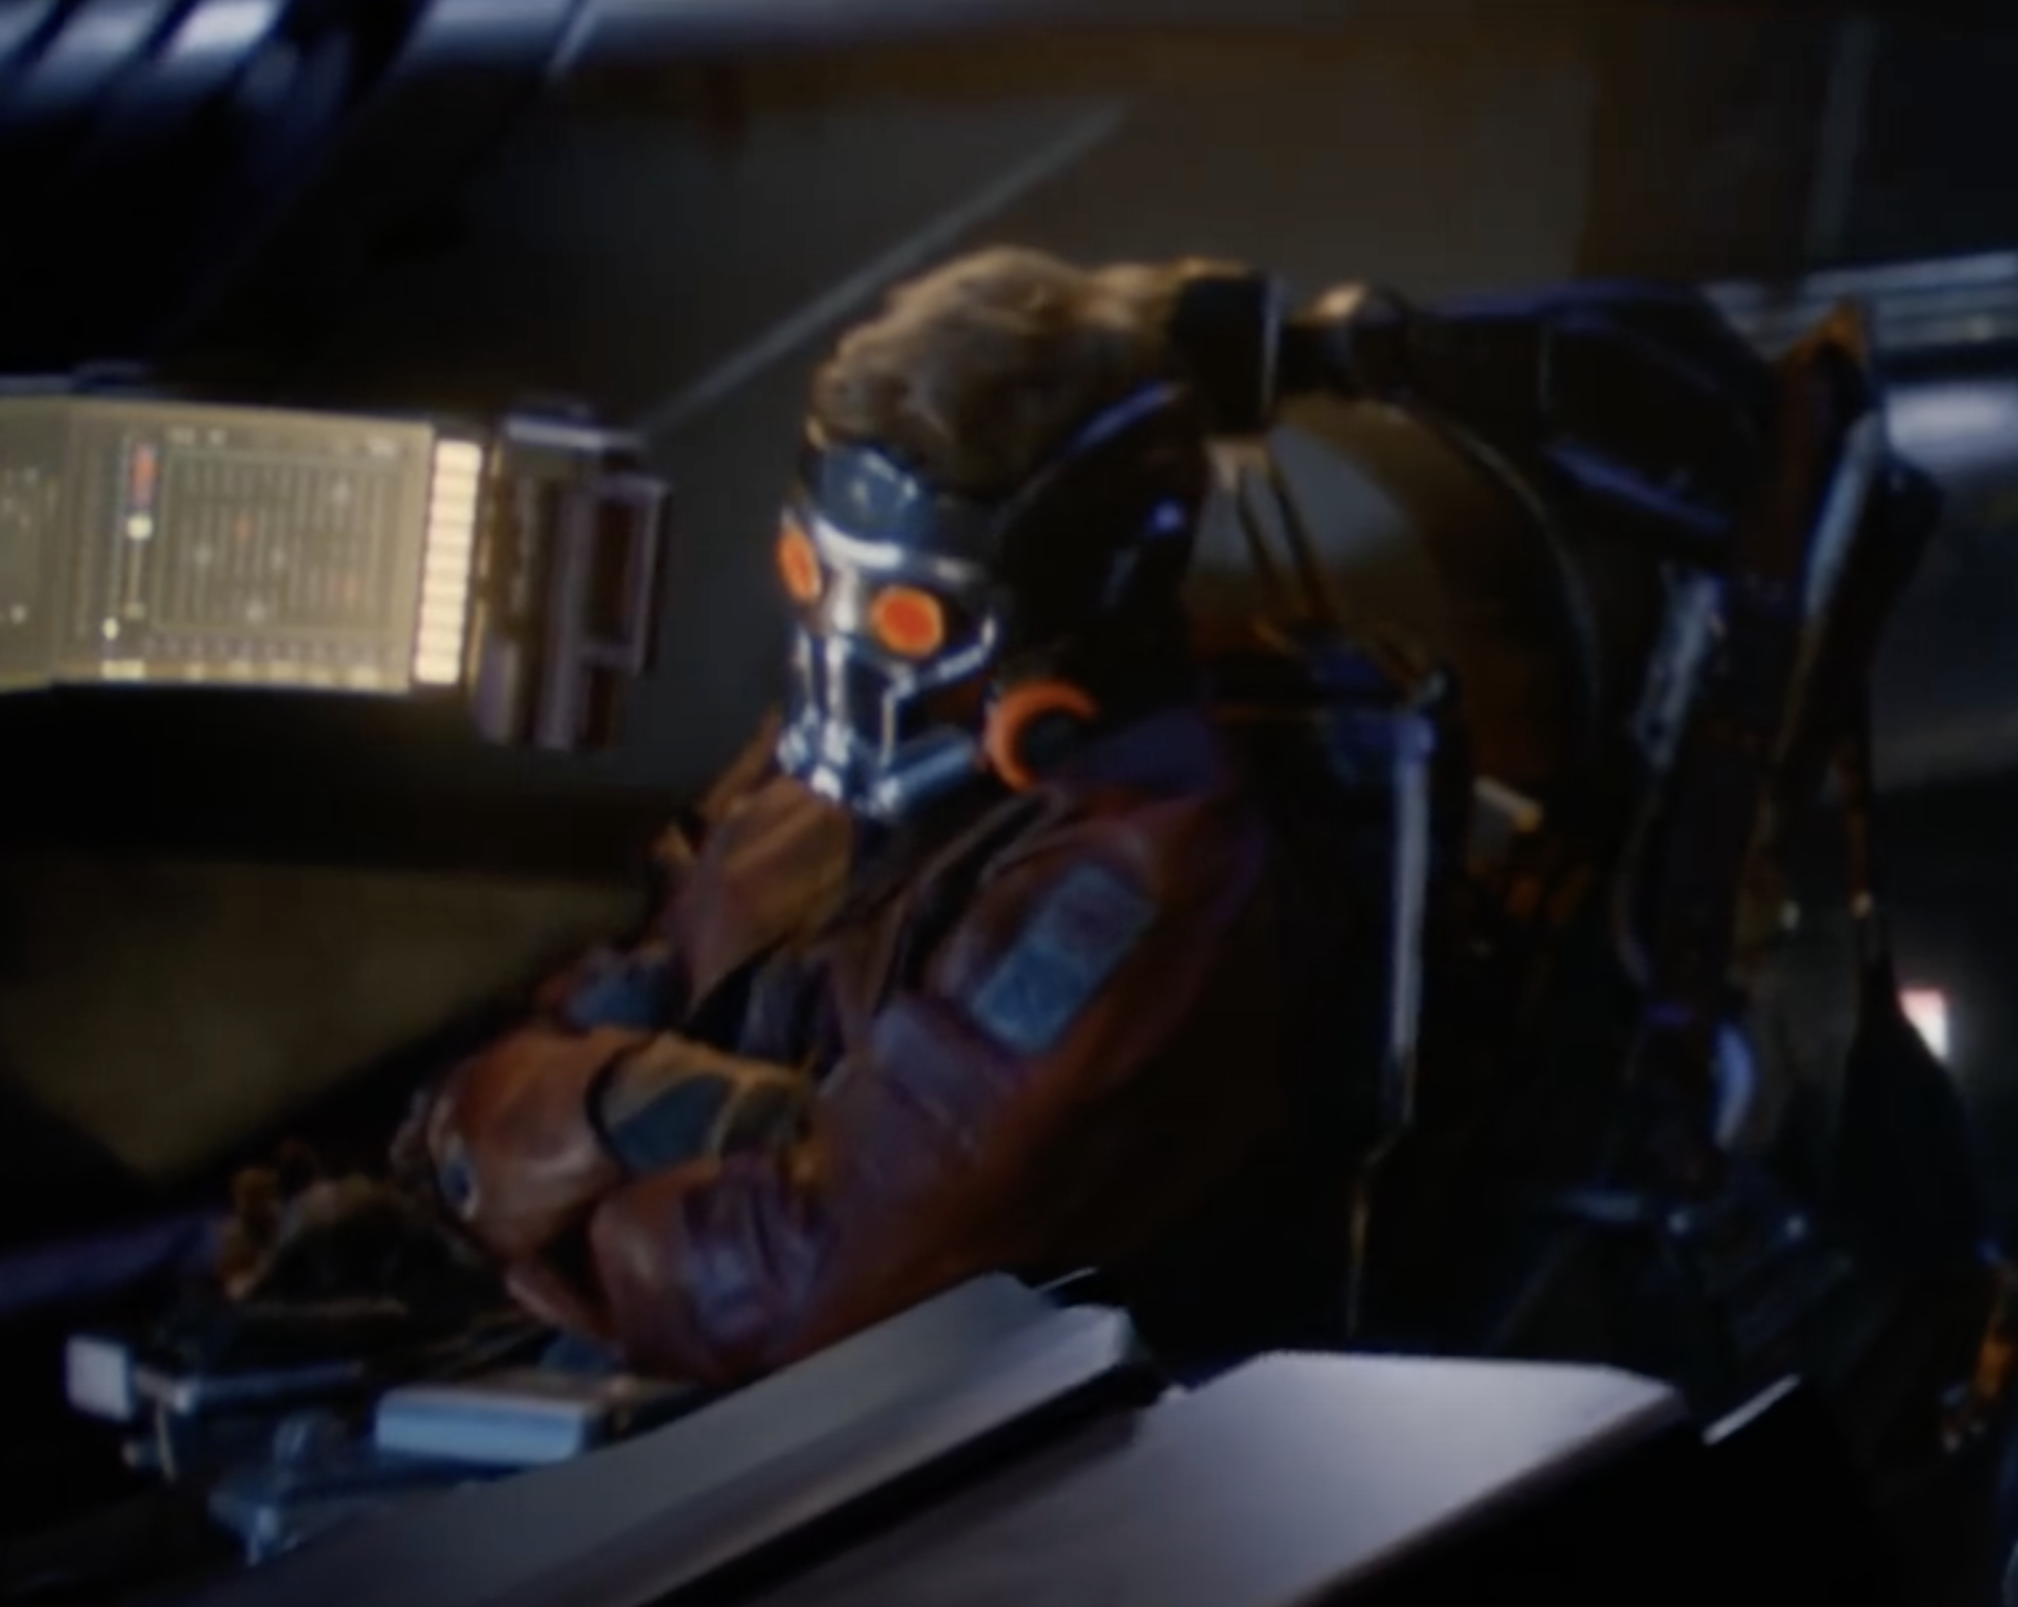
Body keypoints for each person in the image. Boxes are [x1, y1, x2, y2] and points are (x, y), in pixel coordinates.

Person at [387, 247, 1355, 1386]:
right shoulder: (816, 784)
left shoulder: (1137, 882)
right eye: (811, 573)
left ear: (1070, 615)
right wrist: (615, 1105)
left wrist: (568, 1159)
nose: (842, 647)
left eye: (907, 618)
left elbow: (810, 1287)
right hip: (624, 1371)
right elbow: (520, 1063)